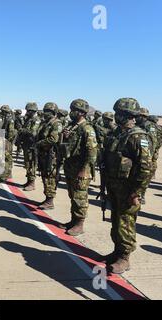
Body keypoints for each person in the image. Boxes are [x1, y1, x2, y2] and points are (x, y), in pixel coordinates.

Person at [102, 98, 152, 274]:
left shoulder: (139, 137)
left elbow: (146, 168)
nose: (116, 116)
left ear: (129, 115)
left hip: (129, 190)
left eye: (119, 114)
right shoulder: (117, 133)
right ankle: (117, 251)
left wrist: (137, 192)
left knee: (126, 223)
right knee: (116, 220)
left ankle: (125, 258)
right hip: (115, 187)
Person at [59, 99, 97, 236]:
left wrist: (84, 170)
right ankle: (73, 220)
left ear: (81, 113)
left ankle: (79, 224)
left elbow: (92, 153)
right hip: (71, 167)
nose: (71, 112)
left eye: (74, 110)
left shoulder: (87, 129)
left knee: (80, 197)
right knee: (73, 195)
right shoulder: (72, 126)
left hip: (81, 170)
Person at [36, 103, 61, 210]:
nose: (46, 113)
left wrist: (39, 143)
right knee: (45, 176)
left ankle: (50, 200)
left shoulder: (56, 124)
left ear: (53, 112)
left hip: (52, 155)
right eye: (45, 111)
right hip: (44, 154)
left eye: (48, 112)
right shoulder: (45, 123)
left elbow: (53, 139)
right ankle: (47, 198)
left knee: (50, 177)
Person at [20, 103, 41, 191]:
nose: (27, 112)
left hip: (32, 146)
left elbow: (33, 132)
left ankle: (32, 183)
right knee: (27, 164)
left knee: (32, 164)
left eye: (28, 110)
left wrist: (22, 130)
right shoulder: (29, 119)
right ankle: (29, 181)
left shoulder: (36, 120)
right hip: (27, 145)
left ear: (32, 111)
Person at [147, 115, 162, 179]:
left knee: (148, 161)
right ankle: (152, 175)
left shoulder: (149, 127)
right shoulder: (161, 128)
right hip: (157, 147)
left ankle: (148, 175)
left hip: (151, 147)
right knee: (154, 161)